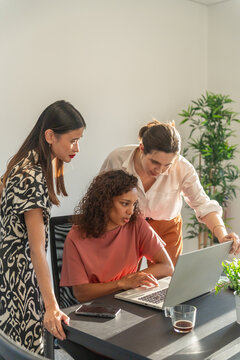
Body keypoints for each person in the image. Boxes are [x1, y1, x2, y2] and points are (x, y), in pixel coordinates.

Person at [0, 100, 86, 355]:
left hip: (7, 275)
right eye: (72, 140)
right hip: (22, 283)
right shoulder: (32, 176)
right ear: (50, 136)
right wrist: (51, 306)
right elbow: (36, 250)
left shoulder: (20, 164)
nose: (77, 148)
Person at [100, 120, 240, 266]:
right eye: (155, 162)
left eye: (167, 165)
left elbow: (203, 205)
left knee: (167, 282)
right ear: (142, 148)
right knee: (124, 280)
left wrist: (222, 235)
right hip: (126, 224)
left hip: (167, 227)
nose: (160, 170)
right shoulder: (117, 158)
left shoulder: (183, 168)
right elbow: (100, 198)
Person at [60, 170, 174, 302]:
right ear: (105, 202)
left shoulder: (137, 224)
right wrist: (121, 283)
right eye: (125, 203)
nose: (131, 211)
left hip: (130, 299)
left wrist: (134, 279)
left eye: (134, 204)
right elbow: (81, 293)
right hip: (97, 308)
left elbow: (167, 267)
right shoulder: (75, 238)